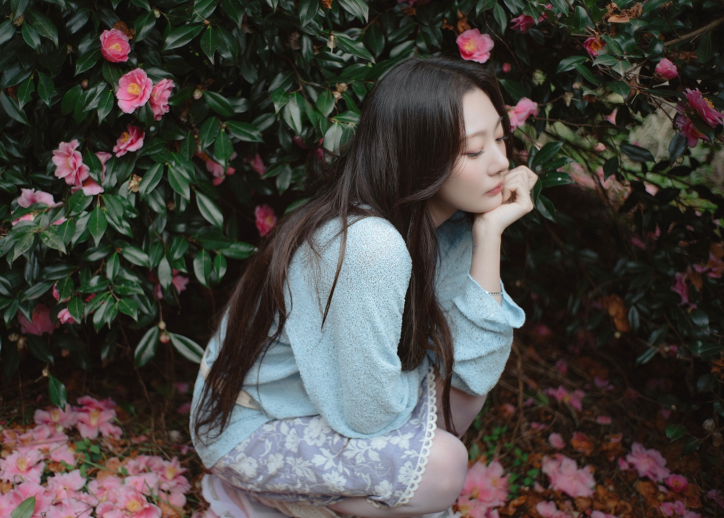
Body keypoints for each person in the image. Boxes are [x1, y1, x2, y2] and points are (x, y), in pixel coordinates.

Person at [189, 56, 538, 518]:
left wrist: (489, 236)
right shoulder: (367, 244)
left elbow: (473, 376)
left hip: (334, 408)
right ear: (418, 156)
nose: (501, 163)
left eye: (499, 138)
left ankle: (363, 497)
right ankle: (274, 499)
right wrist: (419, 422)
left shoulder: (453, 227)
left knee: (458, 401)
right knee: (442, 467)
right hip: (253, 424)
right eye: (474, 151)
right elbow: (370, 418)